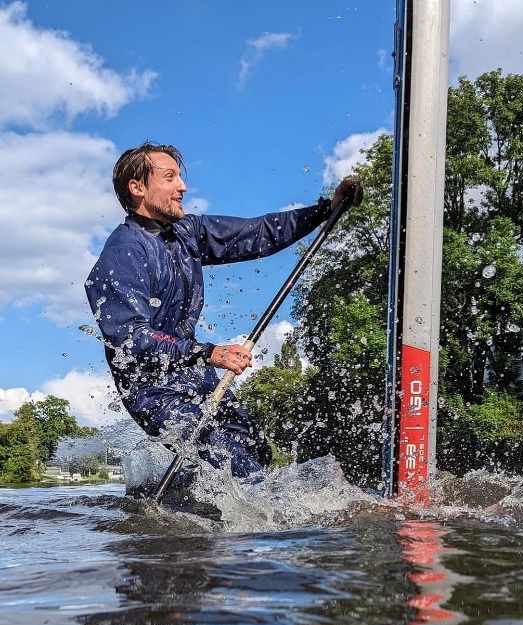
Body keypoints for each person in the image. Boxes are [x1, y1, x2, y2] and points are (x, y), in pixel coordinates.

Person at [85, 142, 362, 492]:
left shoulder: (187, 233)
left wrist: (324, 210)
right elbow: (129, 338)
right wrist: (209, 353)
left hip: (193, 375)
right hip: (152, 389)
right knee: (236, 464)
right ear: (137, 188)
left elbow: (256, 232)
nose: (182, 187)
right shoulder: (123, 253)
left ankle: (180, 503)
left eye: (180, 177)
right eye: (169, 178)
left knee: (256, 450)